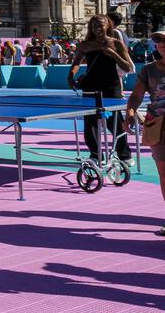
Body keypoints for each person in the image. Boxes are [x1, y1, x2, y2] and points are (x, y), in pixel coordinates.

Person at [67, 15, 133, 165]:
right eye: (94, 25)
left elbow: (128, 68)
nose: (97, 27)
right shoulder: (85, 45)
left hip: (111, 88)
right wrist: (71, 76)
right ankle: (96, 155)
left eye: (101, 25)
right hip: (90, 88)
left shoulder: (117, 44)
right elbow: (76, 62)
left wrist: (113, 54)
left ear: (108, 26)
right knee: (90, 124)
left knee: (114, 122)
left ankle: (124, 154)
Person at [125, 31, 165, 236]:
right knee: (164, 174)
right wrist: (130, 113)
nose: (162, 44)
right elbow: (137, 95)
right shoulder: (148, 70)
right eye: (158, 41)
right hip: (157, 126)